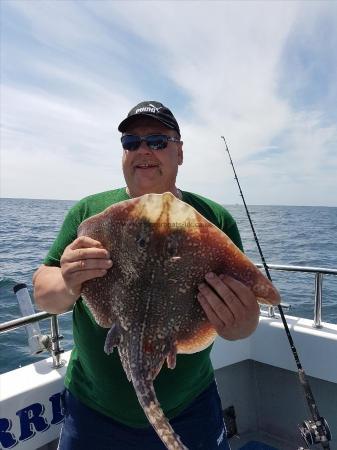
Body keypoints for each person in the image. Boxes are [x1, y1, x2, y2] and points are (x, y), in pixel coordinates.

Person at [33, 101, 259, 450]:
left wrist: (240, 318)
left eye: (157, 141)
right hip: (93, 410)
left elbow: (241, 328)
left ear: (179, 153)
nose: (143, 150)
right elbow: (44, 295)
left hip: (191, 406)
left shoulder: (213, 219)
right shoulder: (90, 212)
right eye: (131, 142)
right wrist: (68, 280)